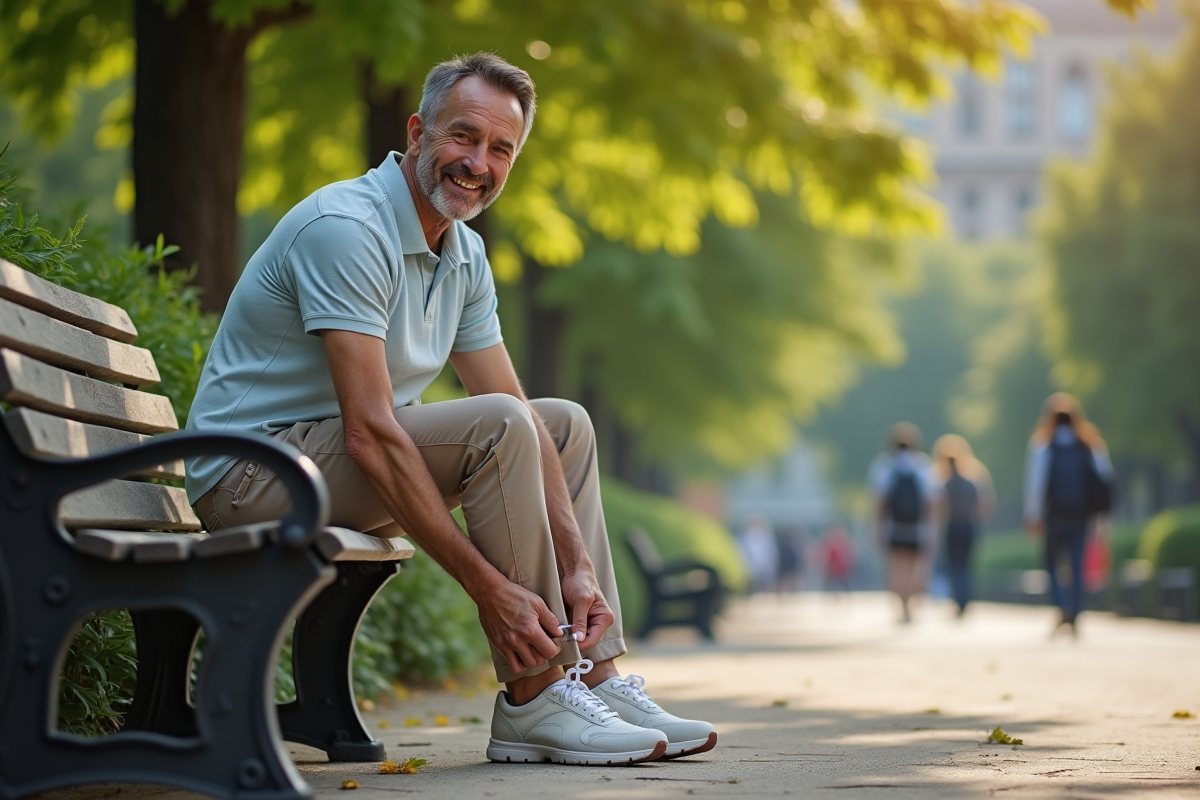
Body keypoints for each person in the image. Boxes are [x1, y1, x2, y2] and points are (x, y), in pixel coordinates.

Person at [184, 53, 714, 766]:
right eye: (463, 136)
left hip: (324, 467)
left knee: (562, 424)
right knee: (499, 423)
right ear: (417, 130)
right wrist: (487, 590)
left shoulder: (462, 254)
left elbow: (520, 407)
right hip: (252, 477)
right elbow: (373, 432)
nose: (478, 162)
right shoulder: (348, 227)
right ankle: (535, 694)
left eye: (502, 149)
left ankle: (594, 672)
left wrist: (578, 566)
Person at [1023, 393, 1113, 637]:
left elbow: (1036, 484)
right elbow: (1104, 480)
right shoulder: (1090, 445)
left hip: (1055, 515)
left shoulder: (1043, 446)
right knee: (1077, 564)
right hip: (1081, 515)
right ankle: (1077, 613)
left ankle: (1062, 606)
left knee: (1052, 563)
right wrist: (1102, 516)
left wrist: (1033, 515)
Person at [868, 422, 936, 623]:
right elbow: (930, 501)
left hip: (894, 527)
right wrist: (931, 527)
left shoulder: (884, 465)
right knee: (915, 568)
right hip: (917, 527)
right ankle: (913, 607)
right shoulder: (923, 465)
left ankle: (902, 609)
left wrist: (878, 527)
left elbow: (880, 501)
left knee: (897, 568)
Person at [931, 434, 994, 617]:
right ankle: (965, 600)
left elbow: (938, 509)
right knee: (966, 565)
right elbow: (985, 506)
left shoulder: (944, 483)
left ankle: (959, 601)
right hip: (969, 526)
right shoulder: (972, 481)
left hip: (952, 527)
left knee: (955, 565)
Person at [820, 524, 855, 595]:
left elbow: (829, 558)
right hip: (840, 568)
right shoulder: (843, 544)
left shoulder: (834, 545)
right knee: (840, 583)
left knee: (833, 583)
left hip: (837, 568)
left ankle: (829, 594)